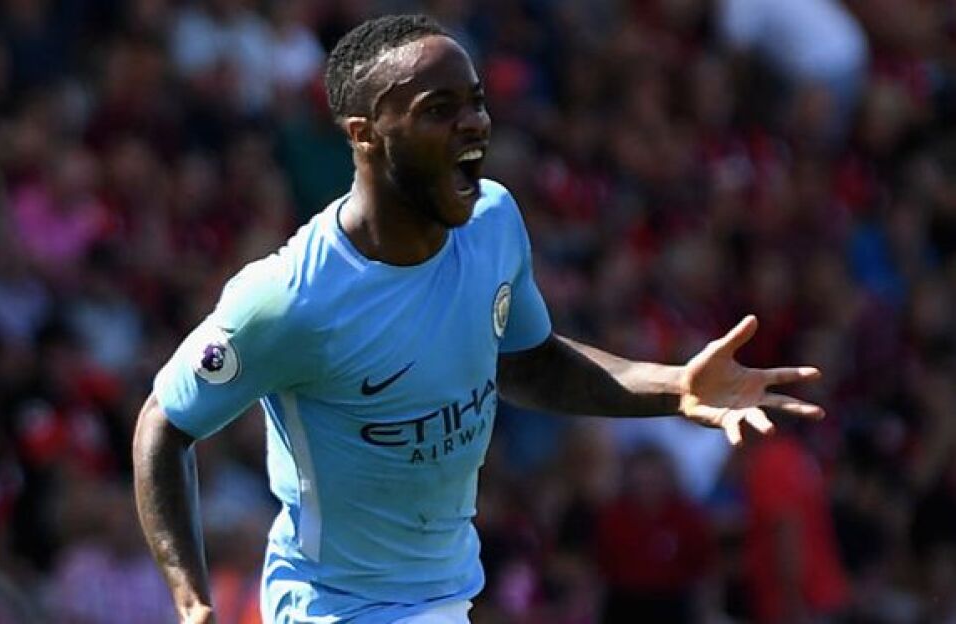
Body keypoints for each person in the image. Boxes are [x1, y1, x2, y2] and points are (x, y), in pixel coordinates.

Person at [133, 14, 825, 624]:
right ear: (366, 135)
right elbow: (163, 424)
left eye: (477, 102)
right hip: (334, 608)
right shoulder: (292, 298)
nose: (474, 123)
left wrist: (674, 387)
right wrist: (192, 602)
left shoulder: (493, 221)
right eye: (439, 109)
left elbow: (527, 363)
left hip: (442, 597)